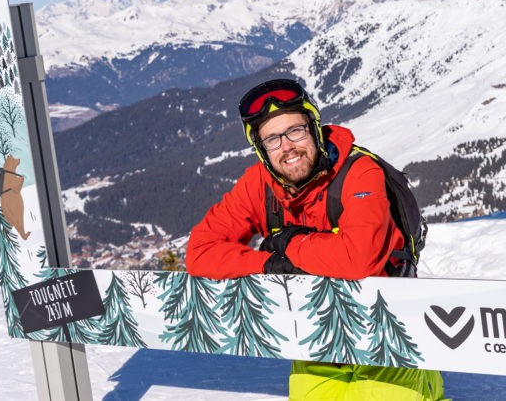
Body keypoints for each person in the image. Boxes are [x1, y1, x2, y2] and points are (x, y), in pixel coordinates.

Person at [187, 77, 445, 400]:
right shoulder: (260, 184)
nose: (287, 147)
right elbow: (200, 253)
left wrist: (290, 244)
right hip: (317, 335)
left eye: (295, 131)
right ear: (261, 150)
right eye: (272, 140)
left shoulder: (359, 173)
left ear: (313, 127)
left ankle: (427, 383)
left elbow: (358, 258)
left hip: (388, 327)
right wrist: (270, 263)